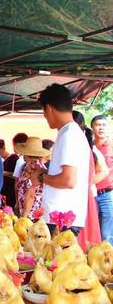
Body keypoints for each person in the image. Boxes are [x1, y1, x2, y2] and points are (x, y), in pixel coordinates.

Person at [31, 84, 90, 235]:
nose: (45, 117)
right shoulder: (71, 133)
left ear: (49, 108)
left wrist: (41, 177)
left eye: (43, 111)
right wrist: (44, 172)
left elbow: (68, 180)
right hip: (61, 219)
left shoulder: (69, 135)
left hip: (61, 221)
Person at [73, 111, 103, 249]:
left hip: (83, 196)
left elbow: (105, 172)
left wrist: (87, 183)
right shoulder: (83, 146)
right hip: (83, 196)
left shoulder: (84, 148)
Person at [15, 137, 50, 220]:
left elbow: (31, 195)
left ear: (26, 154)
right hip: (30, 213)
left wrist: (24, 217)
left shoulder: (33, 168)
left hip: (31, 215)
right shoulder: (33, 166)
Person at [91, 114, 113, 243]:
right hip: (92, 193)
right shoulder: (89, 146)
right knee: (94, 230)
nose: (101, 128)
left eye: (104, 125)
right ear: (92, 127)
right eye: (98, 125)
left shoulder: (111, 146)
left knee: (107, 234)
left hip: (107, 194)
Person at [0, 138, 18, 209]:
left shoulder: (14, 158)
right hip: (4, 195)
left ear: (3, 148)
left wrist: (2, 172)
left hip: (12, 195)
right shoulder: (2, 162)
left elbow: (16, 175)